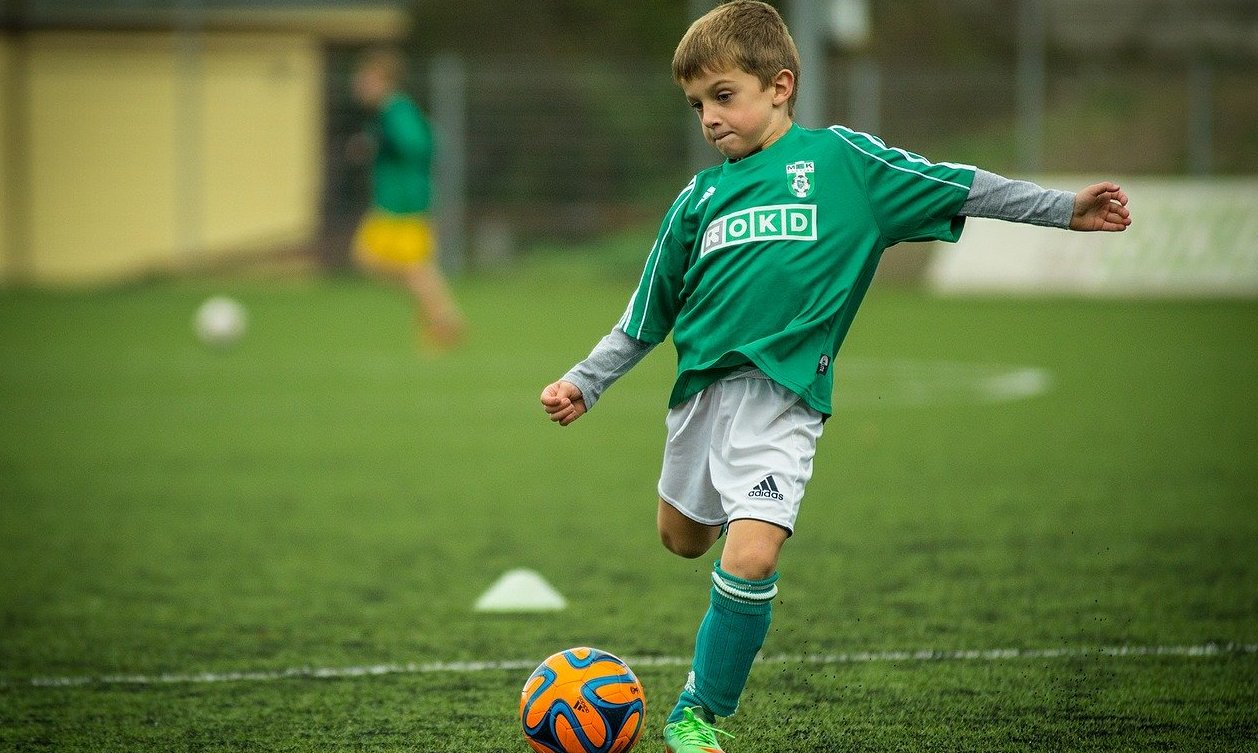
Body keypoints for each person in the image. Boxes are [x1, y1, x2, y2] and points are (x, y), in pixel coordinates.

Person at [539, 2, 1131, 751]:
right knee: (681, 538)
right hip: (700, 400)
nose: (709, 118)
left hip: (783, 400)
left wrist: (1061, 208)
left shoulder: (845, 164)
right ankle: (735, 518)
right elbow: (645, 315)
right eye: (696, 106)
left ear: (780, 85)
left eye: (724, 95)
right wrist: (584, 382)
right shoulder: (697, 199)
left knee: (750, 554)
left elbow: (957, 184)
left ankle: (697, 710)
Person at [350, 48, 465, 350]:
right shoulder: (386, 113)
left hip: (404, 203)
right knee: (377, 262)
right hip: (392, 201)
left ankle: (442, 318)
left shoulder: (396, 110)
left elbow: (420, 143)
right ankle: (440, 315)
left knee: (406, 266)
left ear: (383, 81)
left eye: (367, 79)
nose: (360, 84)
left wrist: (383, 143)